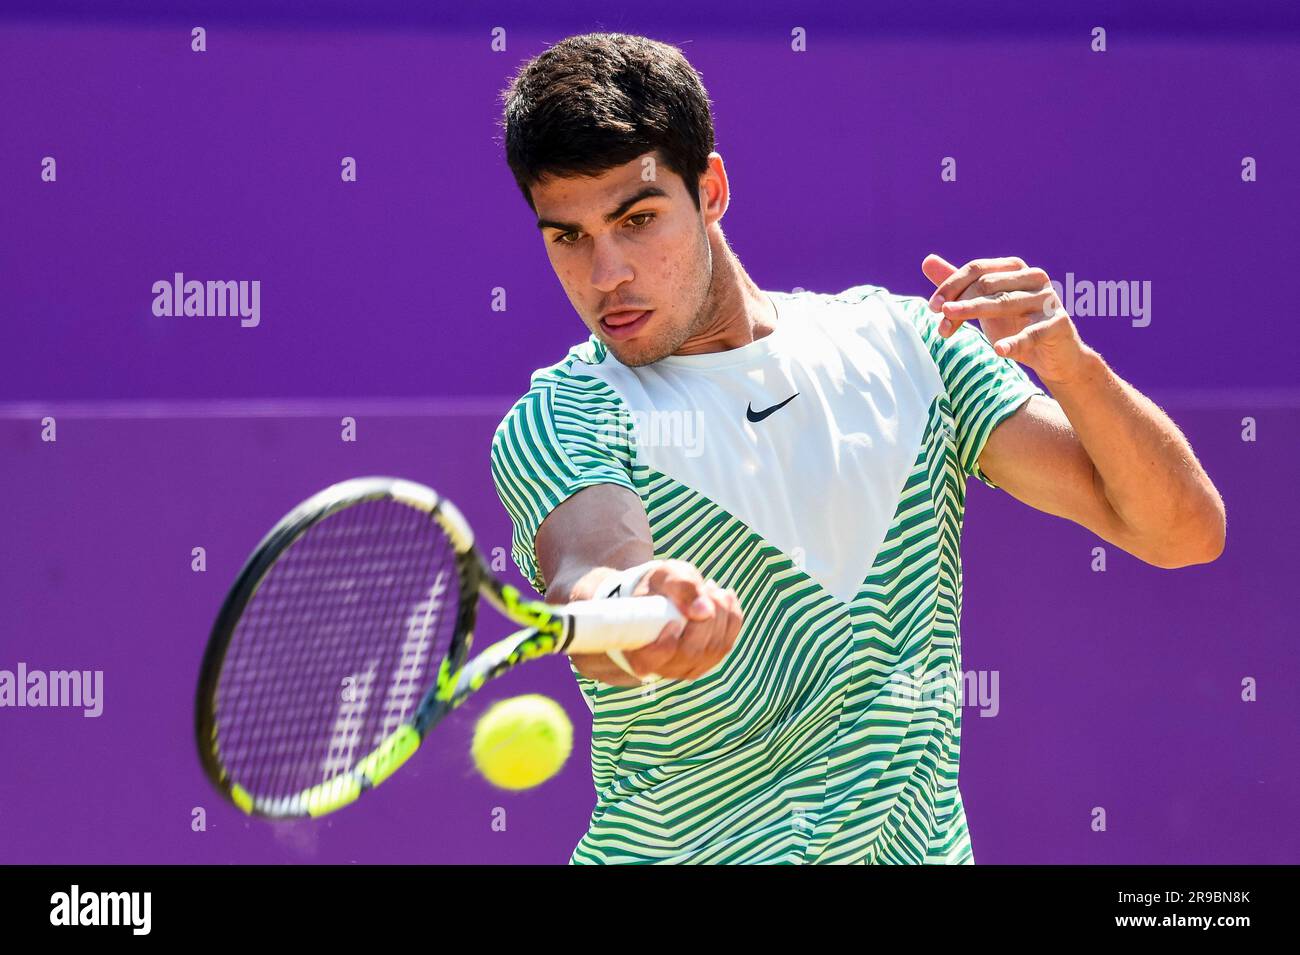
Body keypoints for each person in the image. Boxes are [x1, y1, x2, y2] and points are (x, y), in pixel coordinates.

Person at [489, 33, 1225, 864]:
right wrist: (636, 602)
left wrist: (1074, 368)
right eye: (568, 238)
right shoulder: (565, 414)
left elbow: (1182, 532)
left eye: (638, 219)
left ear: (713, 190)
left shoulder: (911, 344)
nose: (606, 273)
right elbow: (587, 571)